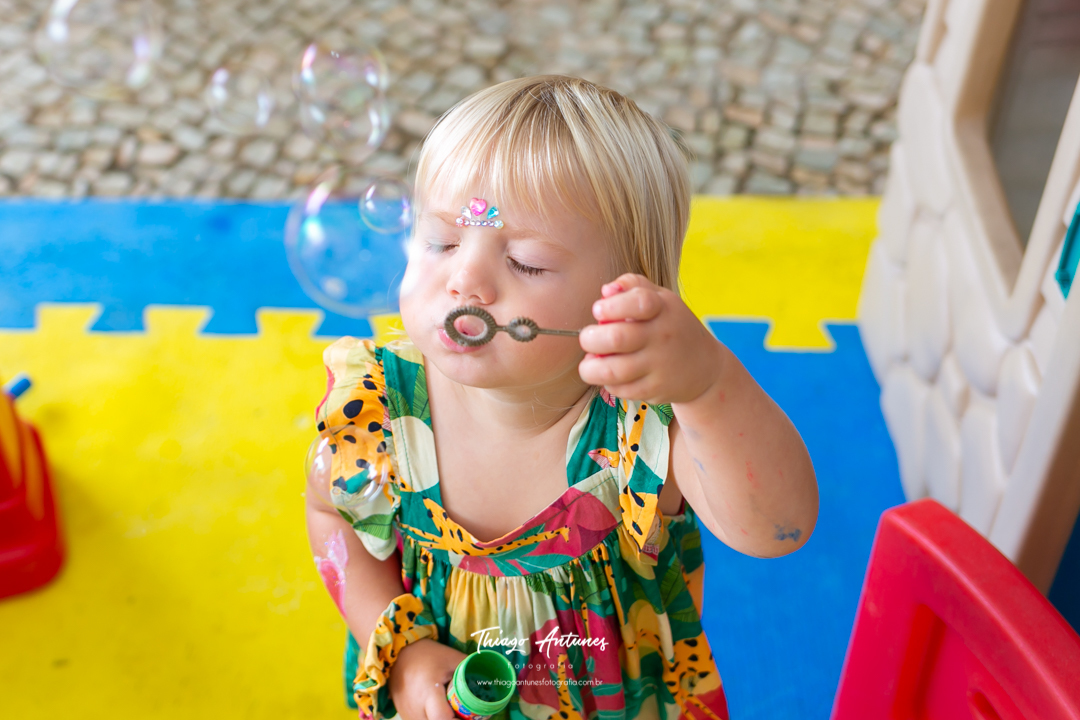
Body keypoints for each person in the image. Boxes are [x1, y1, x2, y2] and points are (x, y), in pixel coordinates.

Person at [305, 75, 818, 720]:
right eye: (440, 241)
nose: (464, 276)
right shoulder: (378, 415)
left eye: (526, 263)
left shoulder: (643, 431)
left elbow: (779, 528)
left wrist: (710, 385)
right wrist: (399, 652)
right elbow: (331, 517)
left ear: (628, 295)